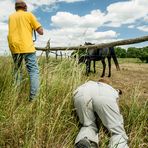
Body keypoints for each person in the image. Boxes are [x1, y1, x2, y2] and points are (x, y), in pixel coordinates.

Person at [73, 79, 128, 148]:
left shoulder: (90, 83)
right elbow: (116, 111)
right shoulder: (110, 88)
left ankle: (86, 139)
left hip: (81, 93)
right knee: (117, 132)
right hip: (104, 95)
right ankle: (119, 145)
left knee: (88, 125)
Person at [8, 0, 43, 101]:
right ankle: (34, 99)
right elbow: (41, 32)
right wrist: (35, 26)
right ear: (25, 7)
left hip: (14, 47)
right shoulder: (29, 15)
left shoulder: (11, 16)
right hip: (27, 46)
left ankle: (16, 95)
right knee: (33, 71)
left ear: (16, 8)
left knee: (17, 70)